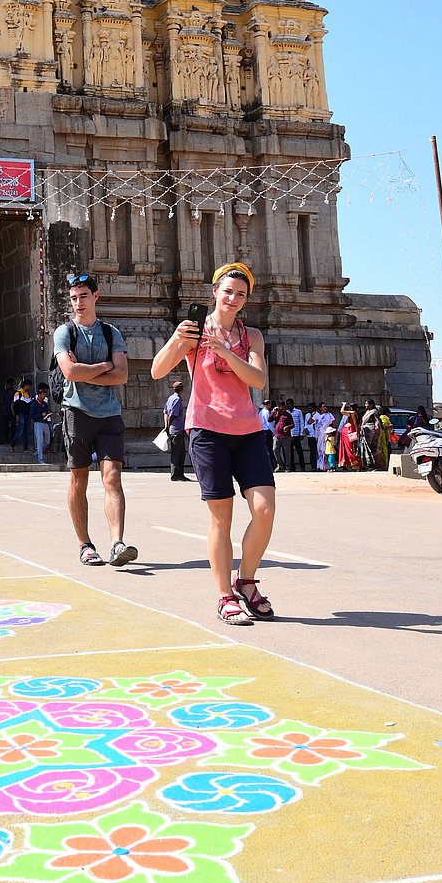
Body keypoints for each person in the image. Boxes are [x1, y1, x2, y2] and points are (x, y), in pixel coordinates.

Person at [151, 261, 276, 626]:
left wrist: (225, 351)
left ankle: (246, 579)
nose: (233, 298)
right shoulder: (195, 332)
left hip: (248, 430)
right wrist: (178, 340)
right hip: (207, 431)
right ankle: (225, 596)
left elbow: (257, 381)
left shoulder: (251, 336)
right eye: (228, 291)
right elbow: (158, 370)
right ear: (214, 293)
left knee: (265, 509)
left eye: (241, 294)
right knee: (222, 517)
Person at [54, 272, 136, 568]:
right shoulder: (64, 332)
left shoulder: (110, 332)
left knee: (112, 477)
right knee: (79, 478)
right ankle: (85, 544)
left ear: (96, 296)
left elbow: (123, 375)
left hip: (110, 413)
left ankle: (117, 543)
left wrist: (86, 369)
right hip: (76, 412)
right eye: (74, 298)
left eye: (83, 296)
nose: (78, 303)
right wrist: (104, 367)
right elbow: (70, 373)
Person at [163, 377, 188, 482]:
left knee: (179, 453)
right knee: (178, 453)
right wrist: (168, 426)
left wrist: (166, 426)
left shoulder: (170, 398)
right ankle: (176, 475)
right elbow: (172, 415)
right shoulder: (177, 400)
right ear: (182, 390)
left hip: (174, 429)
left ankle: (179, 474)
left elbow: (165, 412)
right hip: (177, 430)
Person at [30, 384, 53, 466]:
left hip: (45, 422)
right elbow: (32, 415)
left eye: (45, 394)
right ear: (39, 394)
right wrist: (41, 415)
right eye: (43, 394)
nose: (44, 396)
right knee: (39, 441)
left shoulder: (45, 404)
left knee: (47, 440)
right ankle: (40, 459)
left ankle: (38, 451)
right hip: (38, 423)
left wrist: (47, 415)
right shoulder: (34, 404)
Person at [272, 401, 295, 472]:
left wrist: (287, 427)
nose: (278, 407)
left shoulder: (288, 415)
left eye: (279, 406)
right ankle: (280, 465)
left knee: (287, 452)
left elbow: (292, 424)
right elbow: (269, 419)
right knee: (275, 450)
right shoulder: (276, 414)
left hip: (285, 436)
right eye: (277, 406)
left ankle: (288, 466)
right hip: (277, 436)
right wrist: (273, 411)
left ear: (283, 406)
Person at [11, 381, 33, 450]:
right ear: (25, 385)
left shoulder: (28, 394)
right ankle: (13, 443)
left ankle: (25, 448)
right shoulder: (18, 393)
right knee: (20, 430)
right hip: (21, 414)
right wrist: (17, 415)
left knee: (26, 431)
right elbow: (15, 406)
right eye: (29, 386)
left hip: (27, 414)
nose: (29, 387)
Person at [314, 404, 336, 471]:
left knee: (326, 451)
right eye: (323, 407)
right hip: (318, 436)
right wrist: (312, 415)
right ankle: (320, 466)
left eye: (326, 406)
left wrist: (332, 433)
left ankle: (327, 466)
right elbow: (310, 422)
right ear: (320, 408)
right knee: (319, 451)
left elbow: (334, 425)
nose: (325, 408)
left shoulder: (329, 415)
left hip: (327, 435)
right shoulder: (316, 415)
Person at [338, 404, 360, 469]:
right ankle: (351, 464)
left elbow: (342, 411)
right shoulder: (356, 413)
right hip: (351, 432)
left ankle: (355, 464)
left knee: (350, 449)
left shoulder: (352, 413)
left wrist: (343, 405)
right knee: (353, 448)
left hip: (350, 433)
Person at [287, 398, 306, 471]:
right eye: (287, 404)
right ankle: (292, 467)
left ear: (292, 404)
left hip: (296, 434)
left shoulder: (298, 412)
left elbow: (301, 422)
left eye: (289, 404)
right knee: (290, 452)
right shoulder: (286, 412)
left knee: (299, 451)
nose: (288, 405)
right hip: (289, 435)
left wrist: (301, 433)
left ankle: (302, 467)